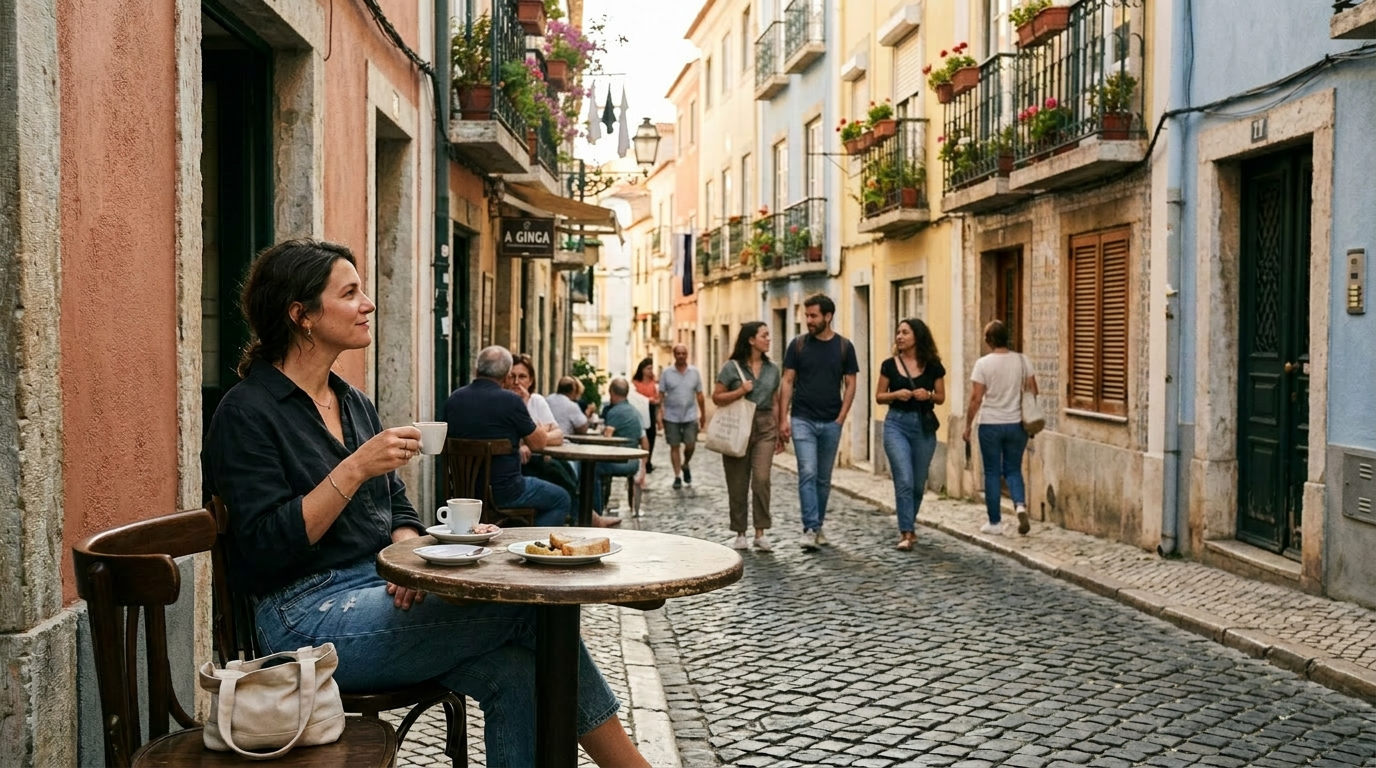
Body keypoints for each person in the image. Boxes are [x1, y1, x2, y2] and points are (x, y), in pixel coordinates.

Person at [203, 239, 647, 768]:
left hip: (377, 589)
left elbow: (398, 507)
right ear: (301, 315)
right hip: (301, 620)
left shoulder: (351, 400)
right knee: (531, 609)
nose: (367, 303)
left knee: (520, 674)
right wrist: (354, 467)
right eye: (350, 293)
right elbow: (265, 549)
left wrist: (411, 559)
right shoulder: (246, 412)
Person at [444, 346, 570, 527]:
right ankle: (530, 546)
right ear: (507, 376)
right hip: (505, 492)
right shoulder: (511, 401)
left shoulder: (454, 399)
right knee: (561, 499)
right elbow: (538, 443)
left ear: (476, 370)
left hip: (462, 492)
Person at [780, 294, 859, 551]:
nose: (809, 321)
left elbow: (851, 383)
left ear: (828, 316)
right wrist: (784, 417)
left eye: (813, 316)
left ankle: (818, 524)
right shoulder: (798, 345)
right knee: (808, 472)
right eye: (807, 316)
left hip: (831, 421)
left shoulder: (844, 347)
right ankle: (810, 527)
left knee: (824, 479)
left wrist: (841, 418)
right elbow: (788, 381)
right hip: (802, 418)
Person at [962, 319, 1038, 536]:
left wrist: (968, 426)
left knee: (993, 472)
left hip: (990, 424)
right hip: (1016, 425)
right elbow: (1033, 390)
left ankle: (995, 523)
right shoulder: (1023, 361)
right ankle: (1020, 505)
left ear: (988, 341)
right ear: (1007, 337)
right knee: (1013, 469)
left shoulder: (983, 364)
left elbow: (976, 398)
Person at [711, 321, 784, 552]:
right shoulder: (731, 368)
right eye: (764, 335)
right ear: (751, 340)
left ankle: (760, 532)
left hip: (764, 426)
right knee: (737, 482)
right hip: (737, 425)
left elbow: (774, 401)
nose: (769, 339)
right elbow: (717, 397)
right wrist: (740, 391)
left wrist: (780, 428)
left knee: (762, 479)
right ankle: (740, 532)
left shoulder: (773, 369)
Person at [876, 319, 947, 551]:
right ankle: (906, 532)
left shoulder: (933, 365)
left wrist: (927, 394)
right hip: (896, 425)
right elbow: (879, 396)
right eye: (898, 332)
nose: (900, 336)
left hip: (924, 428)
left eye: (905, 332)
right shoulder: (889, 365)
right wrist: (896, 394)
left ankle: (909, 524)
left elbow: (941, 397)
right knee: (904, 480)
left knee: (918, 485)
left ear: (917, 336)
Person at [594, 378, 646, 519]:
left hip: (622, 463)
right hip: (634, 461)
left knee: (593, 469)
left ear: (611, 392)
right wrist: (643, 463)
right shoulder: (635, 411)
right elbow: (644, 440)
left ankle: (596, 511)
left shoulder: (615, 412)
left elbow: (607, 439)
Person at [657, 344, 706, 490]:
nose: (681, 356)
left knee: (690, 444)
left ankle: (686, 464)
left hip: (690, 415)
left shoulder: (694, 372)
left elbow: (700, 394)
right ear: (674, 355)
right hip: (671, 416)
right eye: (678, 353)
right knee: (674, 446)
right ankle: (677, 476)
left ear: (687, 355)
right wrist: (660, 414)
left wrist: (703, 414)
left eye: (683, 353)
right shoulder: (667, 373)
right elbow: (661, 395)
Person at [632, 357, 661, 473]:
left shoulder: (654, 383)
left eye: (651, 368)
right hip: (639, 410)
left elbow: (658, 399)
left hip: (650, 409)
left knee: (651, 436)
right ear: (642, 370)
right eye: (648, 368)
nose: (650, 371)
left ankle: (648, 460)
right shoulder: (635, 383)